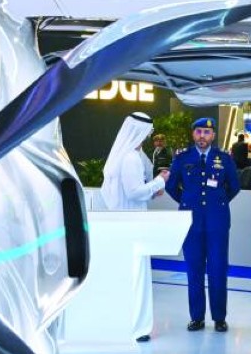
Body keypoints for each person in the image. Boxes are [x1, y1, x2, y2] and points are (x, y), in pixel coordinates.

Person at [165, 117, 240, 333]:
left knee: (218, 269)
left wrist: (219, 202)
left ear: (213, 135)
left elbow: (234, 186)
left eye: (206, 132)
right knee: (194, 270)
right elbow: (171, 186)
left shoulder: (223, 158)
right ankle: (197, 317)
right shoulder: (182, 158)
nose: (202, 136)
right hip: (191, 222)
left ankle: (219, 318)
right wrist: (187, 201)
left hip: (217, 222)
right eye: (198, 132)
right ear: (193, 134)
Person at [100, 114, 168, 342]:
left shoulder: (129, 155)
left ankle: (124, 323)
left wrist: (152, 190)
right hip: (132, 226)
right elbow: (134, 192)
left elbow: (134, 190)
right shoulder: (130, 158)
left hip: (125, 224)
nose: (149, 136)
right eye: (148, 132)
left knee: (127, 275)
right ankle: (136, 328)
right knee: (136, 276)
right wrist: (161, 180)